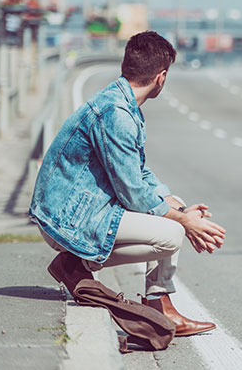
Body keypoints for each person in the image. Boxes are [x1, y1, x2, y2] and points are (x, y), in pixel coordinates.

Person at [29, 31, 226, 337]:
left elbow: (140, 174)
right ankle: (76, 262)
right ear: (161, 77)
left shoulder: (121, 101)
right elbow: (132, 194)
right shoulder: (116, 114)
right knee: (172, 233)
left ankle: (159, 303)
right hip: (67, 220)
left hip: (83, 209)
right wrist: (185, 221)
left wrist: (180, 207)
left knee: (172, 204)